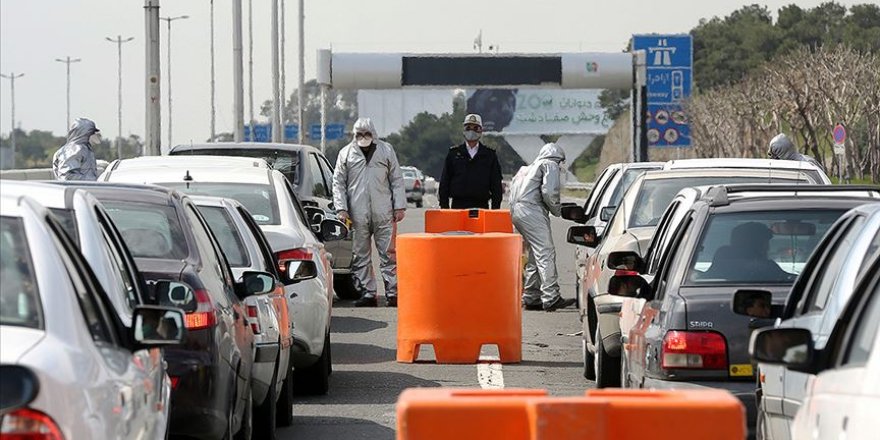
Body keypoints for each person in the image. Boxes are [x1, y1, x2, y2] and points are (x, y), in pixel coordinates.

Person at [332, 118, 407, 308]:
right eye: (359, 134)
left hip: (384, 212)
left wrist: (399, 206)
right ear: (354, 135)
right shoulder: (346, 154)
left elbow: (396, 180)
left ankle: (393, 292)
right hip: (357, 214)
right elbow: (338, 183)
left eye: (367, 134)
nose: (363, 138)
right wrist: (342, 209)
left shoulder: (386, 150)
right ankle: (368, 292)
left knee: (388, 254)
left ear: (374, 135)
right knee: (360, 254)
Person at [508, 142, 576, 312]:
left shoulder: (525, 169)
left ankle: (531, 296)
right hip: (532, 209)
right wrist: (557, 209)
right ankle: (551, 296)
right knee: (546, 252)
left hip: (516, 211)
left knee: (534, 254)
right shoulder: (549, 164)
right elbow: (549, 191)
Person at [438, 114, 504, 210]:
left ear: (481, 130)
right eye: (468, 127)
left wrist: (495, 210)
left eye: (475, 128)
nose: (471, 131)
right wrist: (445, 208)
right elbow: (445, 182)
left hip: (481, 207)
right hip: (458, 206)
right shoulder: (454, 154)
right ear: (463, 130)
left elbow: (496, 186)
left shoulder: (489, 155)